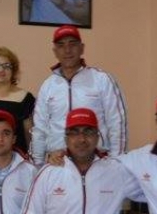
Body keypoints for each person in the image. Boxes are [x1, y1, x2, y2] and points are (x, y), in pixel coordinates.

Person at [30, 25, 127, 166]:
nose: (67, 50)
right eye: (61, 45)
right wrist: (37, 166)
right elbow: (39, 130)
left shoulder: (102, 80)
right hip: (58, 163)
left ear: (82, 48)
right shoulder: (47, 86)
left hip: (97, 162)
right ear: (55, 51)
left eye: (73, 44)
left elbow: (117, 123)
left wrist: (116, 163)